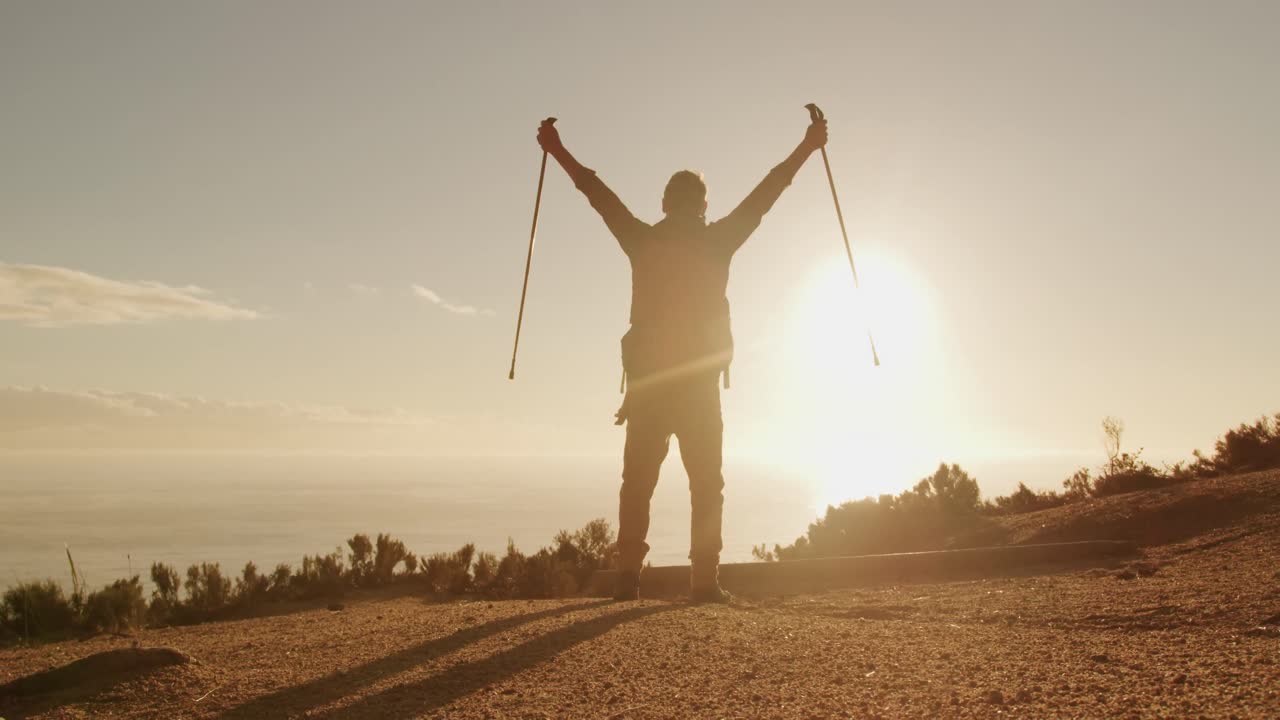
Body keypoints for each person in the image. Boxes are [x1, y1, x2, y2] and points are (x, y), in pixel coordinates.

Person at [537, 114, 828, 602]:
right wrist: (808, 146)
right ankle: (702, 583)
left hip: (649, 386)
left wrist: (557, 148)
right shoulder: (718, 241)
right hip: (698, 389)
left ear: (666, 204)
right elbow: (767, 194)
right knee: (706, 485)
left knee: (637, 485)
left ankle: (627, 582)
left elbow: (596, 194)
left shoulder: (643, 240)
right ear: (703, 207)